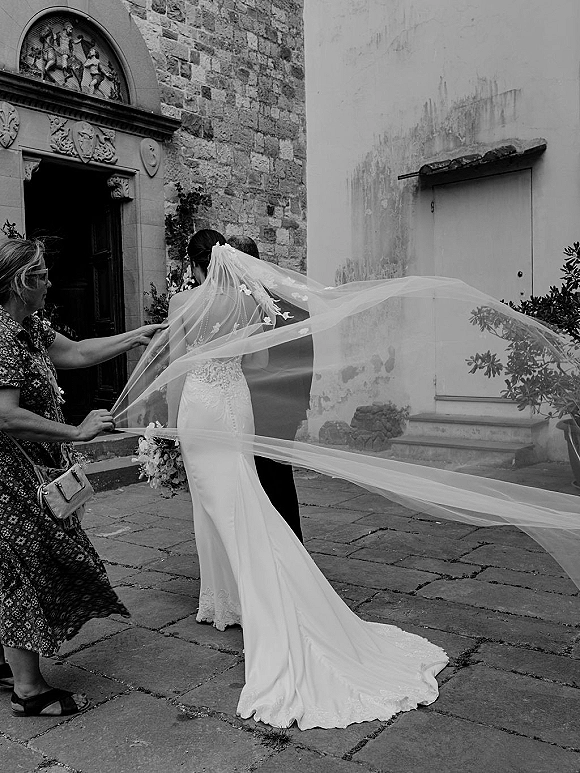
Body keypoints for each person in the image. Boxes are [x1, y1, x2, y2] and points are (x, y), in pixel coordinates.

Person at [162, 229, 448, 729]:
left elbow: (177, 365)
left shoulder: (184, 300)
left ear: (194, 263)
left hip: (199, 410)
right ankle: (234, 599)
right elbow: (259, 360)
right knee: (243, 501)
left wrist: (167, 426)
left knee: (219, 505)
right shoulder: (250, 302)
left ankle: (243, 604)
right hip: (234, 404)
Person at [0, 237, 166, 717]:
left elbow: (73, 353)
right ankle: (27, 691)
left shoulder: (27, 326)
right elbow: (5, 415)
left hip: (30, 470)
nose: (51, 282)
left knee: (24, 562)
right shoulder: (3, 335)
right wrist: (76, 430)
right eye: (44, 275)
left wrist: (133, 336)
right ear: (20, 282)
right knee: (21, 567)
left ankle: (6, 663)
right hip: (8, 474)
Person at [227, 234, 312, 542]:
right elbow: (308, 354)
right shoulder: (291, 299)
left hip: (257, 403)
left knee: (267, 479)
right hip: (285, 404)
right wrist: (302, 402)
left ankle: (282, 547)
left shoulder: (241, 301)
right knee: (275, 477)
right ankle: (286, 545)